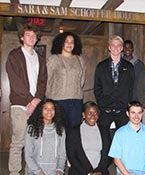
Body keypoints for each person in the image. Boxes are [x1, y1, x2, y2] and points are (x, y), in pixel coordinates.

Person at [6, 23, 47, 175]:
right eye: (28, 35)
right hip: (20, 105)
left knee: (34, 142)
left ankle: (32, 171)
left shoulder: (40, 59)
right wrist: (30, 100)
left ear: (37, 39)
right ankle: (14, 172)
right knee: (18, 142)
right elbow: (16, 81)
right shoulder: (14, 56)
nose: (31, 38)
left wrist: (37, 100)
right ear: (22, 37)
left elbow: (43, 81)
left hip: (36, 105)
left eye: (34, 35)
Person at [94, 35, 135, 133]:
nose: (115, 48)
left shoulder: (129, 67)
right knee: (105, 139)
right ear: (109, 47)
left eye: (118, 45)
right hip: (106, 110)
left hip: (122, 110)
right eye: (113, 45)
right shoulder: (101, 66)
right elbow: (97, 87)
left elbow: (132, 87)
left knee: (123, 139)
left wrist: (127, 104)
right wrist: (102, 103)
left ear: (122, 48)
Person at [46, 32, 86, 129]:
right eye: (66, 41)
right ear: (61, 43)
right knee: (59, 131)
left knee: (74, 131)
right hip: (58, 101)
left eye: (72, 42)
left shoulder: (80, 60)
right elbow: (48, 80)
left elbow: (82, 80)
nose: (69, 44)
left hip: (76, 101)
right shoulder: (53, 59)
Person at [108, 101, 145, 175]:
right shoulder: (120, 133)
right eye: (133, 113)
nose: (136, 116)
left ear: (142, 113)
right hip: (125, 172)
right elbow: (116, 159)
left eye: (139, 113)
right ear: (127, 114)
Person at [66, 101, 112, 175]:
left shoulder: (104, 131)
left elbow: (108, 154)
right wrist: (88, 173)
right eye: (89, 113)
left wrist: (99, 171)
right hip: (79, 172)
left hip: (100, 172)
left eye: (95, 113)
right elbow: (72, 156)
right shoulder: (73, 132)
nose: (93, 116)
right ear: (83, 115)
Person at [25, 99, 67, 175]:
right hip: (35, 172)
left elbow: (62, 154)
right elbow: (28, 156)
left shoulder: (60, 129)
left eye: (52, 109)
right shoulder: (32, 128)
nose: (49, 111)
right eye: (46, 109)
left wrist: (59, 170)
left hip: (54, 172)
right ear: (40, 110)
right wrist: (38, 172)